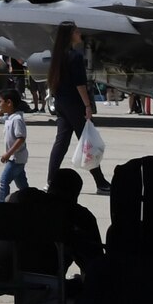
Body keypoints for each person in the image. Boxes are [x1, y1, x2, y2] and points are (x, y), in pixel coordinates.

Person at [44, 21, 112, 195]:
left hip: (61, 102)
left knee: (61, 142)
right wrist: (87, 105)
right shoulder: (74, 56)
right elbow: (79, 84)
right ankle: (101, 182)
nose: (79, 33)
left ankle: (51, 180)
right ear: (70, 35)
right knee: (88, 143)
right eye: (76, 31)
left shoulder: (58, 56)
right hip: (74, 103)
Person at [0, 87, 30, 202]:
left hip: (16, 158)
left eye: (0, 101)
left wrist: (8, 154)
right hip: (16, 158)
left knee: (3, 182)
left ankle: (2, 207)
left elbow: (21, 139)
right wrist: (2, 108)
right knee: (23, 186)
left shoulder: (17, 119)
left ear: (9, 103)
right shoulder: (9, 118)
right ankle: (32, 201)